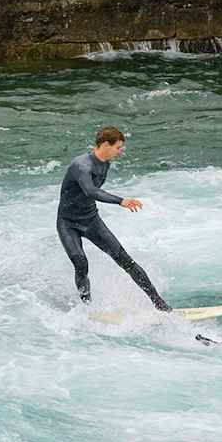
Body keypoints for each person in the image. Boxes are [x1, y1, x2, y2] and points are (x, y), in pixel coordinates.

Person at [56, 126, 170, 311]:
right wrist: (121, 201)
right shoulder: (81, 165)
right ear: (105, 144)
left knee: (126, 261)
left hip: (90, 220)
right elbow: (91, 191)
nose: (119, 151)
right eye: (117, 147)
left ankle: (160, 304)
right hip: (68, 223)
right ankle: (87, 308)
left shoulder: (105, 163)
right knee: (80, 262)